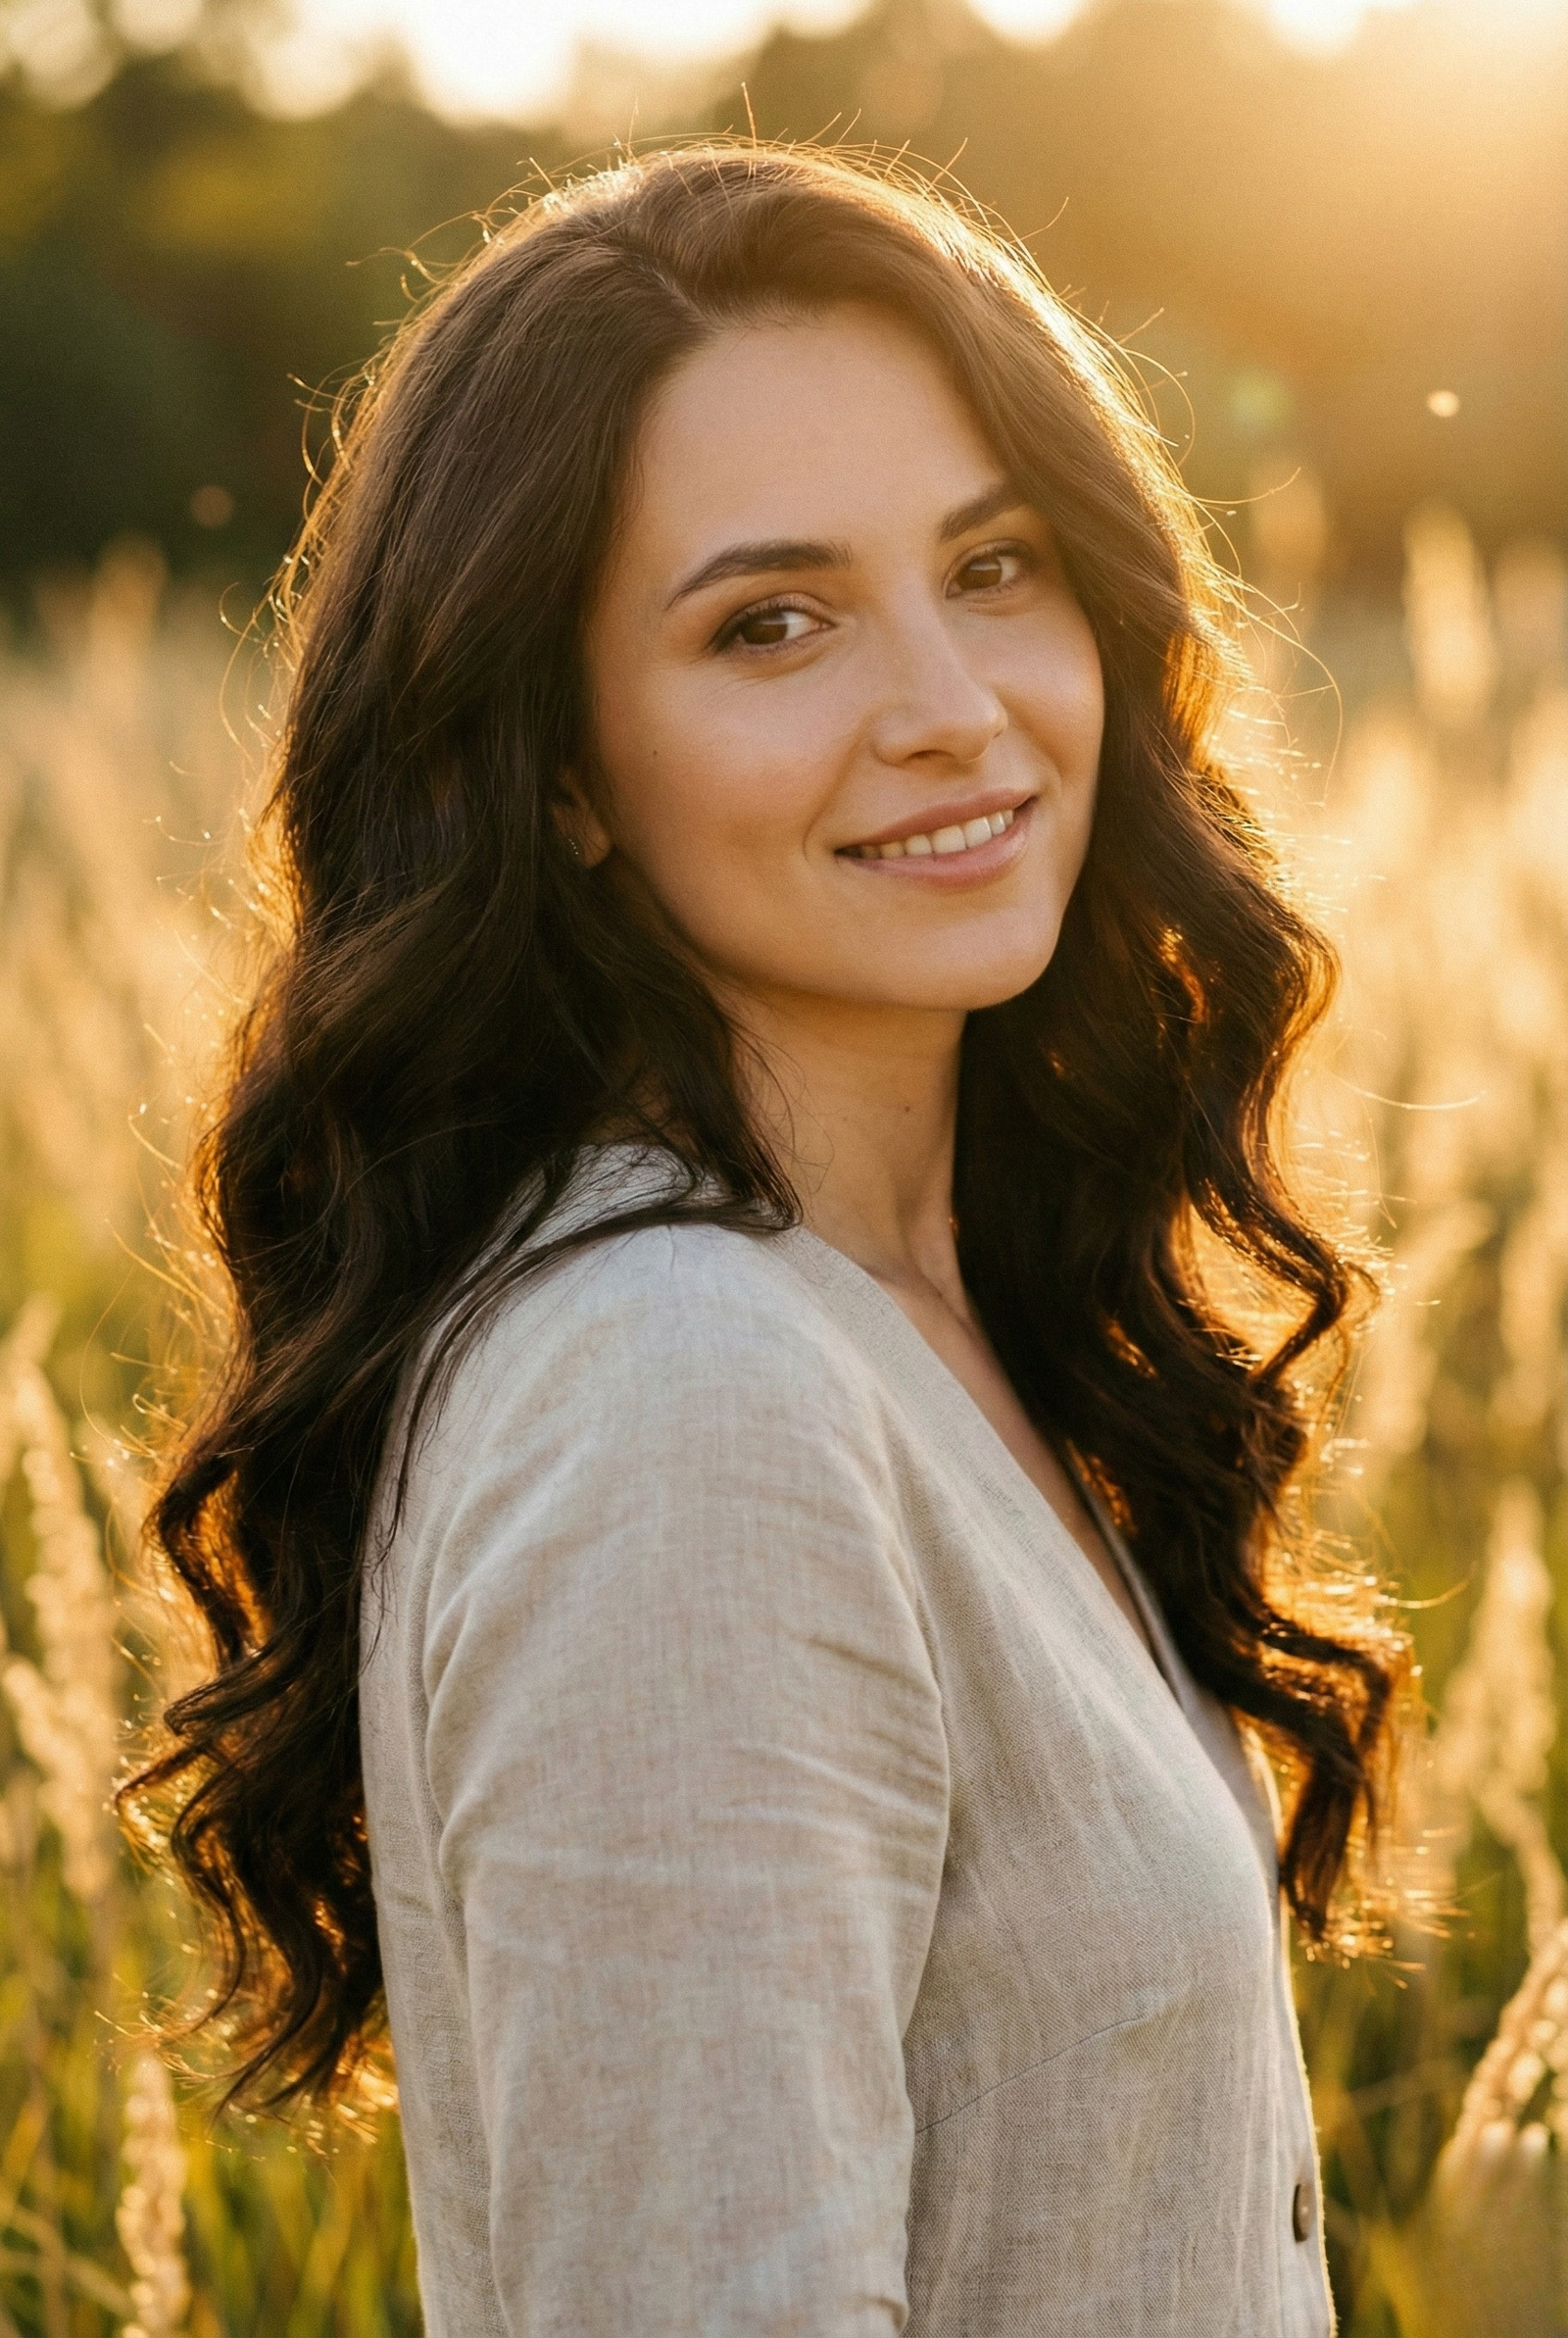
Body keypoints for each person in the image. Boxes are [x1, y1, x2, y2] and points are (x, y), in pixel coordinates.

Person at [126, 144, 1407, 2334]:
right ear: (558, 770)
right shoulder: (680, 1396)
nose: (947, 703)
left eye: (991, 565)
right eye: (771, 622)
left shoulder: (939, 1307)